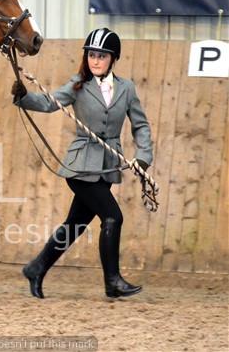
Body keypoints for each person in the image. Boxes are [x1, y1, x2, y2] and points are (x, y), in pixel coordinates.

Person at [12, 27, 153, 299]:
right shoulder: (78, 84)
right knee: (113, 216)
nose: (95, 60)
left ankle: (36, 267)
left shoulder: (127, 89)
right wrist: (23, 97)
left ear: (113, 59)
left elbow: (141, 125)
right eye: (91, 55)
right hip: (80, 166)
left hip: (106, 166)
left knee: (75, 225)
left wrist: (143, 157)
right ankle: (112, 282)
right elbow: (49, 103)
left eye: (102, 56)